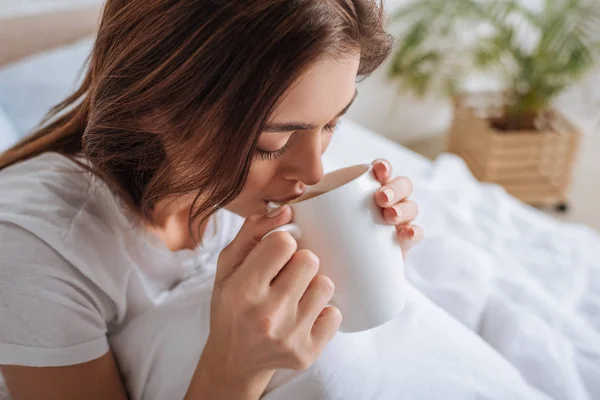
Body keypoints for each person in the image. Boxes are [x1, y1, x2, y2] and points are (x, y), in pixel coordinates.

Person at [0, 1, 550, 400]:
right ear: (156, 105)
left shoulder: (240, 185)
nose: (312, 171)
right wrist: (236, 369)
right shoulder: (32, 251)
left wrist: (363, 254)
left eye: (333, 122)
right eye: (274, 143)